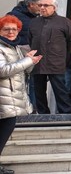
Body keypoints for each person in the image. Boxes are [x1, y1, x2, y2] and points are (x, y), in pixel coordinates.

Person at [0, 15, 42, 174]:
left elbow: (20, 71)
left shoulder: (14, 47)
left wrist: (30, 61)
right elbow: (3, 71)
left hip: (10, 97)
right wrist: (27, 61)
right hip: (3, 98)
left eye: (14, 29)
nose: (11, 32)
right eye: (6, 29)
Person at [28, 0, 71, 114]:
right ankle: (43, 114)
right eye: (40, 5)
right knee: (39, 91)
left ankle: (66, 114)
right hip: (38, 62)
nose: (42, 8)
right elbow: (31, 40)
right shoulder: (34, 22)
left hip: (56, 62)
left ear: (54, 8)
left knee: (60, 91)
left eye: (45, 5)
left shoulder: (64, 22)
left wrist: (63, 57)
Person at [6, 0, 42, 109]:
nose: (41, 8)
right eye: (39, 5)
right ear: (31, 5)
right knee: (19, 83)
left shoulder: (37, 18)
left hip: (34, 55)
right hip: (19, 55)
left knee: (33, 84)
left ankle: (33, 109)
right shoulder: (14, 16)